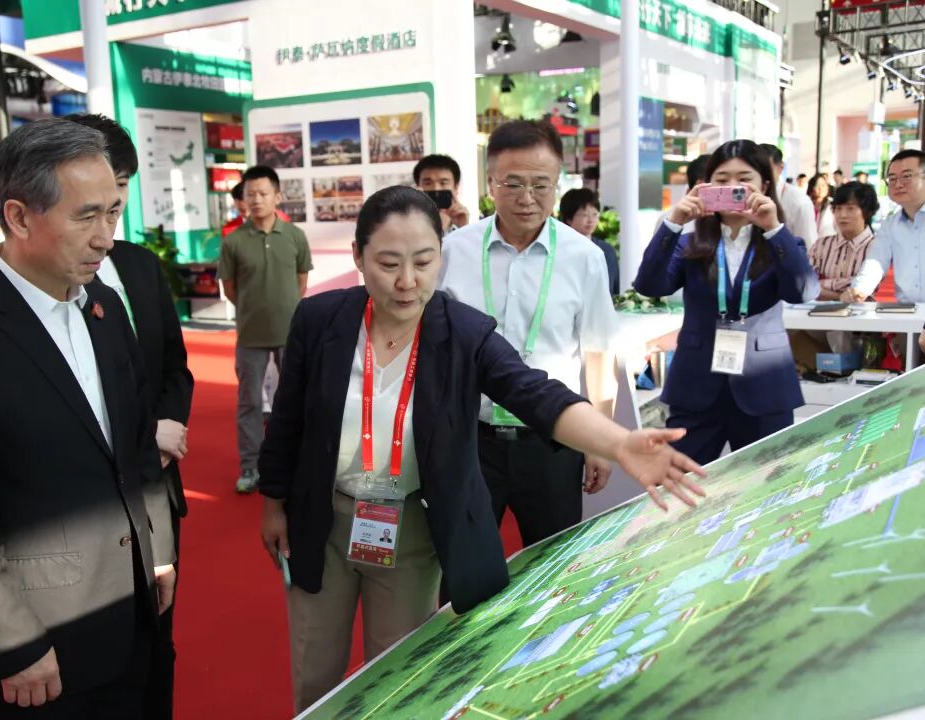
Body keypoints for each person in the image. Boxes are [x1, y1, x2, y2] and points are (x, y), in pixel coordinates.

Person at [258, 186, 706, 713]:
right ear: (358, 257)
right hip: (325, 519)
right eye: (388, 263)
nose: (407, 282)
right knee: (316, 673)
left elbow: (536, 393)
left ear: (441, 257)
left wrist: (619, 441)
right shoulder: (319, 321)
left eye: (424, 261)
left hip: (412, 529)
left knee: (395, 679)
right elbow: (287, 419)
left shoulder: (463, 333)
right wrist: (273, 502)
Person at [0, 118, 176, 719]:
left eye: (113, 212)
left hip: (133, 614)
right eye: (87, 216)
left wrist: (157, 549)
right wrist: (12, 643)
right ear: (19, 218)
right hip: (37, 648)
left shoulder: (104, 310)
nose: (107, 238)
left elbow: (136, 448)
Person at [65, 113, 193, 720]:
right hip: (84, 503)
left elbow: (175, 366)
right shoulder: (47, 286)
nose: (108, 215)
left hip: (154, 487)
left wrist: (165, 433)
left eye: (118, 192)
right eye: (94, 198)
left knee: (156, 633)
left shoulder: (140, 266)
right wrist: (145, 436)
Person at [438, 120, 619, 549]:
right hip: (471, 440)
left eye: (540, 185)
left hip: (553, 441)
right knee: (463, 562)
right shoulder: (454, 251)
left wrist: (600, 440)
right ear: (490, 183)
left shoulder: (585, 257)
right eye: (513, 183)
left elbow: (598, 353)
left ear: (557, 184)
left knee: (555, 561)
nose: (526, 198)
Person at [633, 139, 820, 466]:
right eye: (721, 180)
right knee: (683, 482)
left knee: (766, 483)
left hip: (764, 386)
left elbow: (803, 291)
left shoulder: (782, 244)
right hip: (696, 387)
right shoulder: (688, 244)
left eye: (744, 179)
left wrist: (773, 228)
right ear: (705, 187)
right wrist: (674, 221)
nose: (733, 187)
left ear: (764, 185)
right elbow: (649, 285)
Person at [220, 165, 313, 493]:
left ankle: (296, 459)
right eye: (250, 194)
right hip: (250, 335)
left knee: (295, 399)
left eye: (263, 193)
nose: (256, 199)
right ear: (243, 199)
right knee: (249, 404)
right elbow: (230, 288)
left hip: (292, 334)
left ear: (277, 196)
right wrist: (252, 310)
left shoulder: (295, 236)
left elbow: (301, 281)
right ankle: (250, 467)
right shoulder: (233, 241)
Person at [844, 150, 925, 305]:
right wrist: (859, 290)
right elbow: (876, 261)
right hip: (907, 313)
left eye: (907, 176)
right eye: (892, 179)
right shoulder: (890, 225)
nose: (898, 184)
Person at [809, 181, 879, 300]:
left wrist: (823, 284)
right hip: (820, 310)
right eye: (838, 208)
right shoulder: (822, 245)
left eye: (850, 209)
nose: (842, 215)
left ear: (866, 211)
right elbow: (807, 284)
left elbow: (865, 288)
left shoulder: (876, 247)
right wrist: (841, 296)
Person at [559, 188, 619, 296]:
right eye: (585, 215)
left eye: (595, 214)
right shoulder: (559, 251)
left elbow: (613, 290)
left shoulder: (607, 250)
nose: (591, 220)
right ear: (569, 218)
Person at [760, 144, 817, 249]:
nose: (761, 175)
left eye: (766, 170)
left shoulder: (799, 201)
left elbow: (809, 246)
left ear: (780, 168)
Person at [413, 154, 470, 232]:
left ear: (456, 188)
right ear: (418, 187)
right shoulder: (409, 223)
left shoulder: (463, 224)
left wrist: (464, 228)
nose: (436, 188)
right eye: (428, 183)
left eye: (443, 183)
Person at [807, 173, 837, 239]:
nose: (821, 188)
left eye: (823, 185)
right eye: (817, 185)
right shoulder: (807, 204)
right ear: (811, 188)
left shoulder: (832, 205)